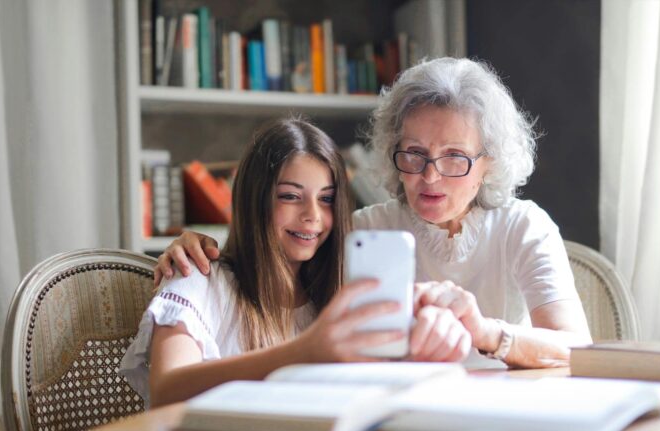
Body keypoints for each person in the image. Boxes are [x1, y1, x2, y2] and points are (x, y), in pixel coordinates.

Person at [155, 58, 593, 369]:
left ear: (489, 163)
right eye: (414, 154)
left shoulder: (523, 225)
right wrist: (195, 245)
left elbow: (576, 347)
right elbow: (273, 265)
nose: (430, 177)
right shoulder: (361, 231)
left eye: (455, 157)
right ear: (391, 151)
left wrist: (485, 332)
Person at [120, 118, 471, 408]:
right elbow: (166, 390)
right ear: (254, 199)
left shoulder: (336, 294)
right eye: (290, 196)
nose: (312, 217)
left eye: (327, 199)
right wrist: (304, 352)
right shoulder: (197, 278)